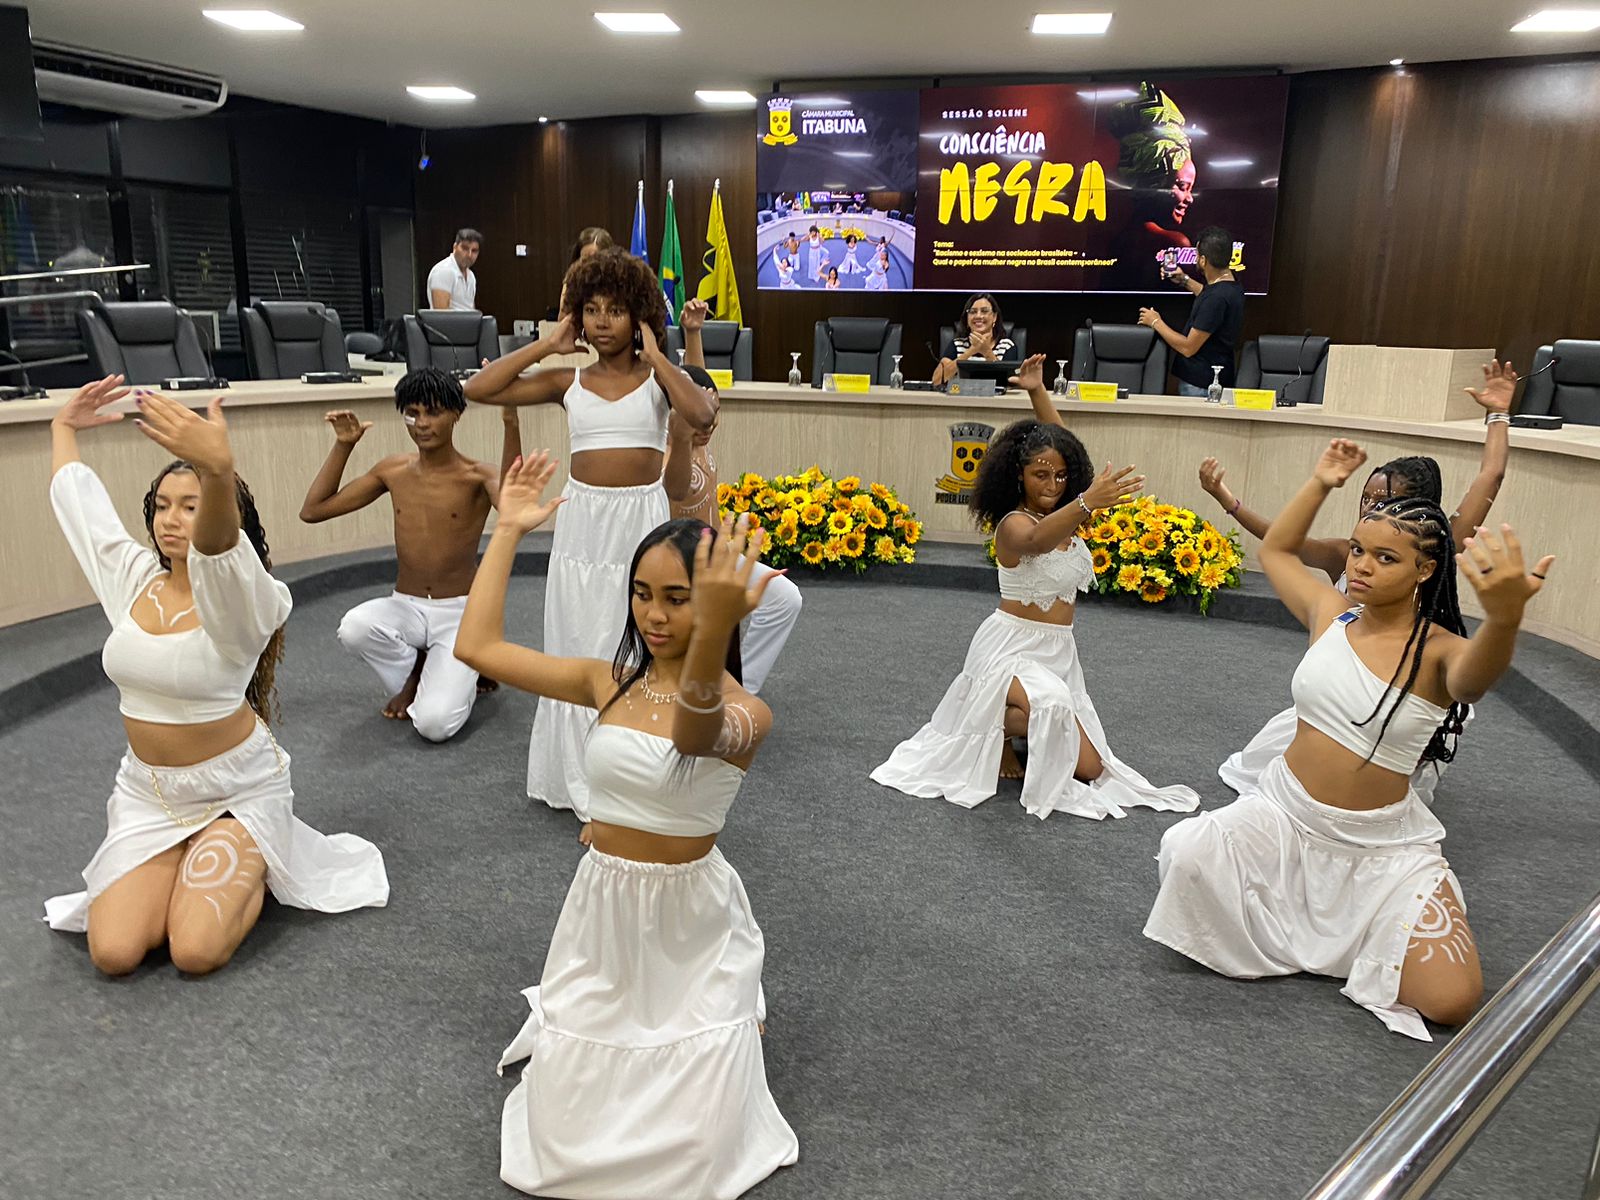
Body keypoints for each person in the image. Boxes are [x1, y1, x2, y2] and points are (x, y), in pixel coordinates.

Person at [453, 455, 798, 1198]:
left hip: (692, 927)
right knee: (566, 1128)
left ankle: (733, 1009)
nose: (654, 615)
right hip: (602, 913)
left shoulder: (749, 713)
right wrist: (506, 531)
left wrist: (716, 625)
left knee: (700, 1144)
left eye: (678, 598)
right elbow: (476, 649)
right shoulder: (606, 681)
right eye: (642, 594)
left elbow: (695, 734)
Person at [1145, 438, 1554, 1039]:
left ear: (1424, 570)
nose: (1361, 565)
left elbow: (1476, 681)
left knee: (1452, 1001)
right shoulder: (1329, 612)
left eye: (1385, 558)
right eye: (1359, 550)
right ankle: (1321, 930)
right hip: (1285, 816)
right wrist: (1321, 481)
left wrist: (1505, 619)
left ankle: (1351, 927)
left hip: (1381, 850)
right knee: (1184, 851)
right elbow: (1277, 550)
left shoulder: (1441, 651)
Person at [44, 377, 388, 974]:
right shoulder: (135, 581)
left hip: (235, 791)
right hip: (149, 793)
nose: (171, 519)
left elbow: (218, 552)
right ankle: (184, 855)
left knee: (195, 951)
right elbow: (84, 512)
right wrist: (63, 428)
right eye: (162, 505)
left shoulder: (247, 600)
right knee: (114, 953)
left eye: (190, 504)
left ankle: (250, 849)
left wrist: (218, 472)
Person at [872, 357, 1200, 820]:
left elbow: (1062, 448)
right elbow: (1037, 542)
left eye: (1061, 476)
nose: (1053, 484)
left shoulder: (1067, 511)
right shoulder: (1014, 525)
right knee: (1049, 707)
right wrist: (1086, 499)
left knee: (1091, 769)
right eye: (1040, 475)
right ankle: (997, 729)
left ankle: (1002, 724)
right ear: (1018, 476)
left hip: (1059, 652)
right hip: (1010, 651)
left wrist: (1037, 391)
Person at [463, 248, 718, 819]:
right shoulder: (567, 381)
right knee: (578, 641)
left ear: (639, 315)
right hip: (582, 529)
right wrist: (547, 345)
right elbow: (480, 388)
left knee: (636, 639)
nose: (602, 322)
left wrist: (659, 355)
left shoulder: (658, 382)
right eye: (592, 309)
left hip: (640, 523)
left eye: (616, 310)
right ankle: (574, 773)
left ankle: (635, 771)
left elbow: (701, 414)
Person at [1202, 360, 1517, 800]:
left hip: (1400, 689)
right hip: (1335, 694)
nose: (1372, 508)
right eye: (1366, 498)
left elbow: (1491, 474)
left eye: (1386, 500)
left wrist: (1498, 413)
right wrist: (1227, 500)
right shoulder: (1343, 555)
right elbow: (1280, 545)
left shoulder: (1440, 543)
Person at [297, 368, 522, 740]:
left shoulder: (478, 476)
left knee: (434, 726)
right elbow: (314, 510)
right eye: (413, 413)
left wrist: (510, 421)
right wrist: (344, 445)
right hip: (406, 605)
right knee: (354, 628)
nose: (422, 423)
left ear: (456, 414)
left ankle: (461, 668)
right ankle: (422, 671)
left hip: (461, 612)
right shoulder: (393, 470)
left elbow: (515, 506)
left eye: (433, 412)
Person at [664, 298, 803, 695]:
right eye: (700, 413)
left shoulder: (701, 433)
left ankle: (742, 688)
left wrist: (693, 333)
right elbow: (675, 489)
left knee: (784, 598)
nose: (709, 421)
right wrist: (680, 432)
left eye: (715, 411)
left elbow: (697, 381)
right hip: (683, 565)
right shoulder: (669, 451)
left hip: (721, 553)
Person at [1107, 81, 1196, 283]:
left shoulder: (1118, 239)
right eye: (1183, 187)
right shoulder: (1174, 244)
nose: (1190, 198)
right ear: (1153, 183)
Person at [1138, 225, 1243, 396]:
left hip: (1200, 384)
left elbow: (1188, 347)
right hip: (1212, 377)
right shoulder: (1231, 287)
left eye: (1196, 255)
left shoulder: (1215, 299)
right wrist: (1184, 280)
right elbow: (1208, 295)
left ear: (1203, 260)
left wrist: (1155, 321)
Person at [932, 292, 1016, 387]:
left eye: (984, 311)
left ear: (994, 317)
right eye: (973, 312)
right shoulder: (957, 344)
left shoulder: (1006, 346)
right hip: (960, 396)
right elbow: (937, 381)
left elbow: (1009, 383)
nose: (978, 316)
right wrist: (971, 351)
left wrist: (987, 352)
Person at [427, 228, 482, 311]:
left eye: (474, 251)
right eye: (465, 249)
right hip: (450, 320)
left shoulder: (471, 276)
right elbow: (440, 315)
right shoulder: (443, 271)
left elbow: (470, 310)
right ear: (455, 247)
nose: (469, 255)